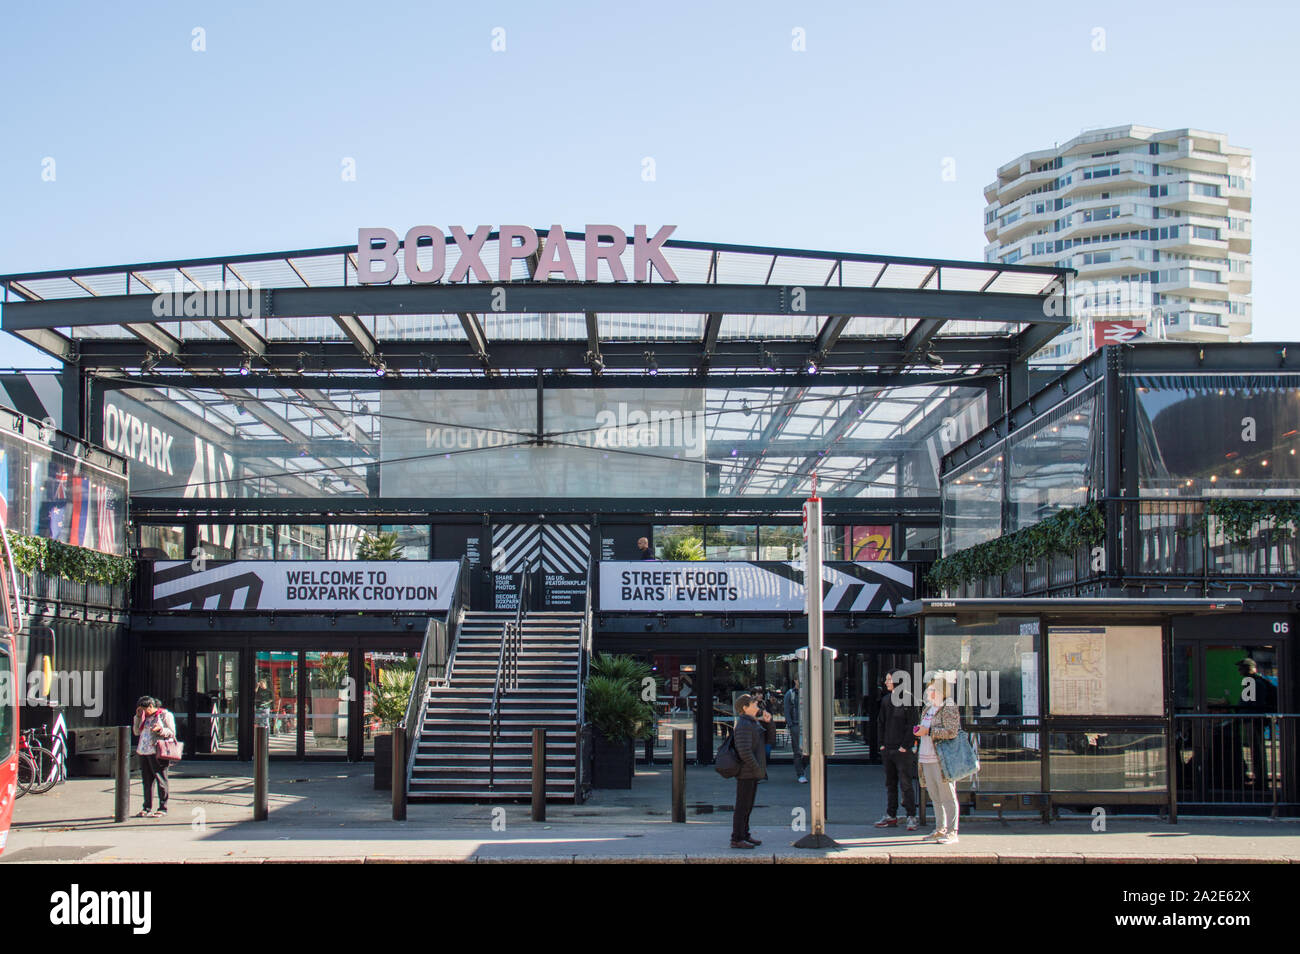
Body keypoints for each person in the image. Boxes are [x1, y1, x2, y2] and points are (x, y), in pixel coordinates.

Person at [915, 673, 960, 844]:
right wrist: (920, 730)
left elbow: (951, 731)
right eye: (929, 689)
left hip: (941, 759)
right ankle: (940, 828)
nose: (929, 692)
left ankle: (952, 831)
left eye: (933, 689)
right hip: (926, 757)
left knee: (947, 795)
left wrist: (929, 732)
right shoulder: (927, 709)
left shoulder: (948, 707)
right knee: (935, 795)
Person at [874, 670, 919, 830]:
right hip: (889, 748)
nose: (886, 682)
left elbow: (913, 724)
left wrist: (905, 746)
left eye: (889, 679)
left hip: (902, 750)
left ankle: (911, 816)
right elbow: (881, 722)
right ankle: (891, 815)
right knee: (890, 783)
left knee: (906, 783)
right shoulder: (886, 700)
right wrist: (882, 744)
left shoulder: (908, 699)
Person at [730, 692, 771, 849]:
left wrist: (768, 722)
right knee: (742, 806)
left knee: (747, 805)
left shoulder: (752, 722)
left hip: (752, 771)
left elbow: (769, 739)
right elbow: (744, 751)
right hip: (747, 772)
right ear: (745, 708)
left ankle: (744, 835)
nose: (756, 706)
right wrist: (757, 768)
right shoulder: (744, 725)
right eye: (753, 704)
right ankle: (737, 837)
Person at [1235, 658, 1278, 786]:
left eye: (1241, 668)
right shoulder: (1258, 681)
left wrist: (1241, 713)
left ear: (1249, 669)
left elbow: (1250, 703)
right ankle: (1260, 778)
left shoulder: (1252, 682)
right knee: (1257, 750)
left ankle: (1261, 779)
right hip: (1255, 719)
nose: (1239, 670)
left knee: (1257, 750)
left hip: (1253, 720)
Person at [132, 695, 177, 818]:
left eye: (144, 709)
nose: (143, 712)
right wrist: (137, 717)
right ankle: (146, 807)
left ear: (151, 706)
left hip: (157, 751)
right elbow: (136, 732)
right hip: (143, 751)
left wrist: (160, 730)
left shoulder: (164, 715)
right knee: (146, 781)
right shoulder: (142, 717)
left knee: (161, 779)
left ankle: (163, 807)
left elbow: (172, 733)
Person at [785, 677, 807, 783]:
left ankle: (801, 768)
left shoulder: (807, 692)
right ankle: (800, 774)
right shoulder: (790, 694)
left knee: (809, 751)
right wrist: (791, 725)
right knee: (797, 751)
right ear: (795, 680)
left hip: (806, 725)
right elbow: (786, 710)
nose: (800, 681)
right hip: (796, 724)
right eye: (798, 679)